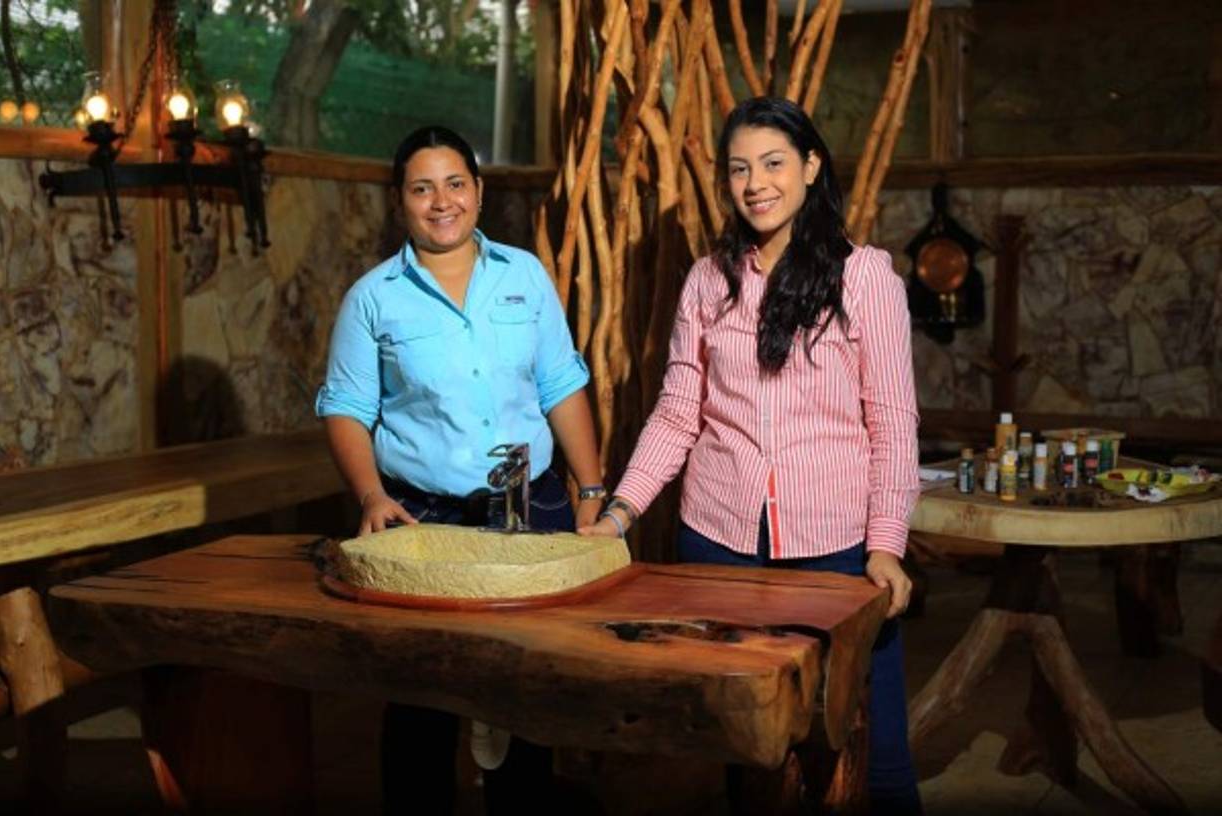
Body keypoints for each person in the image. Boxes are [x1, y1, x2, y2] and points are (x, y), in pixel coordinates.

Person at [581, 97, 922, 813]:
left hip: (836, 548)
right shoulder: (709, 281)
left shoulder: (865, 278)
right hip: (718, 540)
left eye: (772, 163)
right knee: (744, 745)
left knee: (873, 746)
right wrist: (618, 514)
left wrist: (886, 546)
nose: (756, 183)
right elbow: (679, 411)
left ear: (811, 166)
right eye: (739, 169)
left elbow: (892, 424)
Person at [316, 125, 604, 814]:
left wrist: (591, 486)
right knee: (420, 693)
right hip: (424, 519)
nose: (441, 201)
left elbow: (561, 384)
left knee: (526, 686)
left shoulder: (523, 275)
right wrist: (371, 496)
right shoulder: (373, 298)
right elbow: (346, 409)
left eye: (454, 184)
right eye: (422, 188)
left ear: (478, 191)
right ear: (400, 201)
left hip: (529, 508)